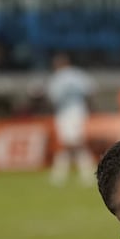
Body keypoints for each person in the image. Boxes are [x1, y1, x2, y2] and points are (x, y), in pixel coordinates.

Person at [46, 52, 96, 184]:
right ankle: (69, 174)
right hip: (79, 111)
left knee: (72, 144)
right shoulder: (78, 75)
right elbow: (90, 92)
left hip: (65, 113)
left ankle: (66, 174)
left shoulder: (57, 78)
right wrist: (90, 109)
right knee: (72, 143)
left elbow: (52, 98)